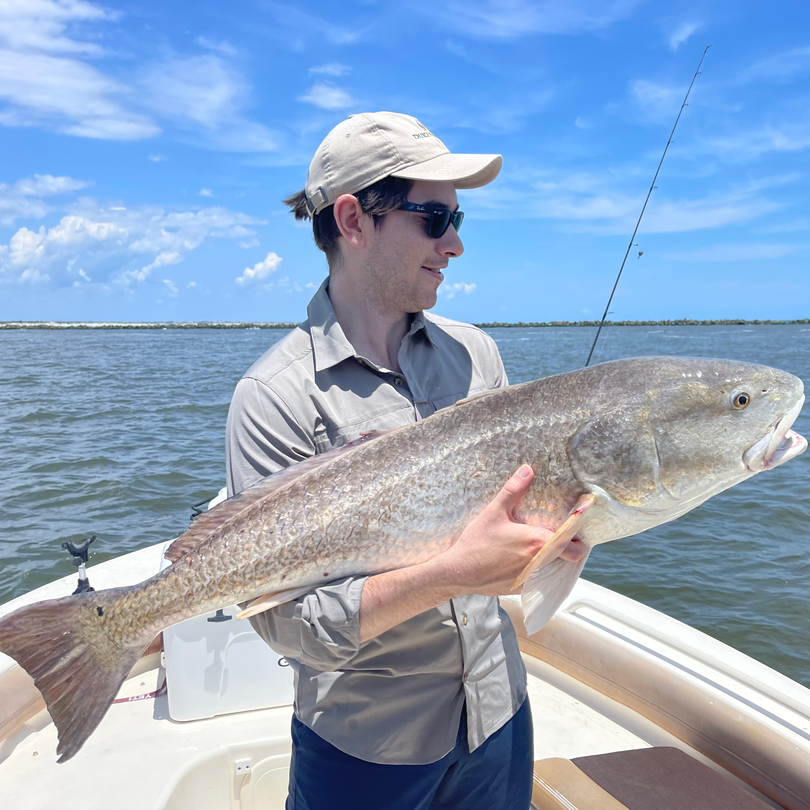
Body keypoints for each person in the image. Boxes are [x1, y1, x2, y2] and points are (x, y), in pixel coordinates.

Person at [225, 111, 582, 810]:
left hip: (497, 712)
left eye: (458, 220)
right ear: (355, 221)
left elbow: (516, 508)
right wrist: (451, 573)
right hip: (366, 748)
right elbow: (285, 624)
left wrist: (556, 537)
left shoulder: (476, 354)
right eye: (433, 218)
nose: (453, 244)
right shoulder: (273, 396)